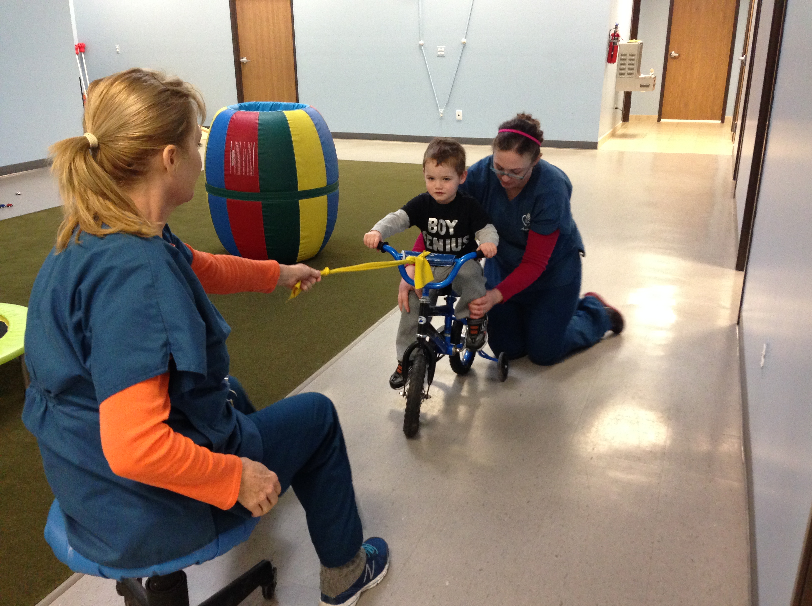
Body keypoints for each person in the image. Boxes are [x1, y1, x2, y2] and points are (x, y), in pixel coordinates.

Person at [21, 68, 388, 606]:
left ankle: (268, 471)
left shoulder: (96, 230)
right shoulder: (136, 277)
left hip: (84, 480)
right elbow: (136, 447)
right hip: (139, 507)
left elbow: (201, 267)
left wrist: (279, 272)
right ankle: (346, 573)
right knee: (318, 417)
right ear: (169, 159)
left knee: (232, 390)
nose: (201, 157)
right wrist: (231, 477)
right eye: (197, 145)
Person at [402, 114, 623, 366]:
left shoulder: (552, 189)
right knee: (508, 348)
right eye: (499, 167)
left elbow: (535, 262)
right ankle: (537, 316)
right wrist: (414, 263)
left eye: (516, 172)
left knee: (544, 352)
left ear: (536, 160)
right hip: (504, 267)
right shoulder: (480, 175)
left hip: (553, 275)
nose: (504, 178)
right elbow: (439, 219)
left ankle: (595, 311)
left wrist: (496, 296)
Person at [363, 137, 498, 389]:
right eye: (431, 178)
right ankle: (407, 357)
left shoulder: (468, 206)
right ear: (424, 175)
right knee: (411, 303)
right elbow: (399, 218)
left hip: (460, 263)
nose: (438, 186)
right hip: (429, 264)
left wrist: (488, 243)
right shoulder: (422, 203)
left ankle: (473, 322)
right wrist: (377, 231)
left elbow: (486, 228)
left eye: (446, 179)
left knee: (473, 278)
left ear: (462, 177)